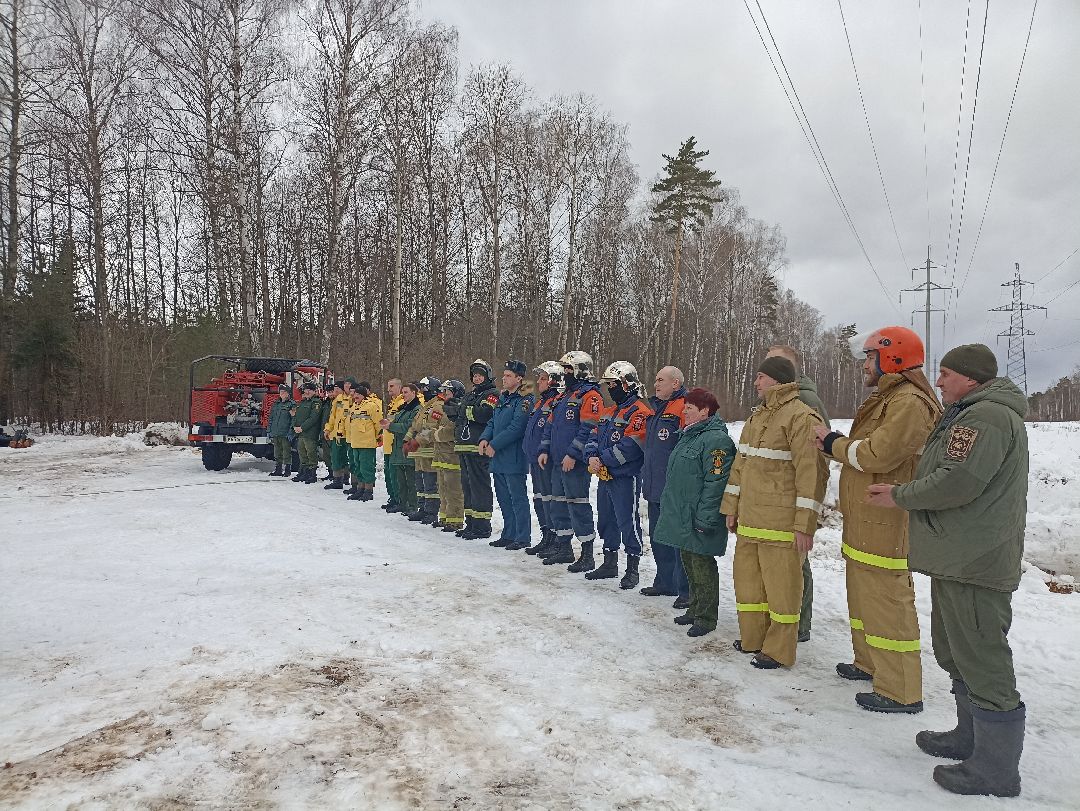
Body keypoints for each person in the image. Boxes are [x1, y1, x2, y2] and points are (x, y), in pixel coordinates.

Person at [866, 344, 1029, 797]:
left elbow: (958, 481)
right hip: (959, 556)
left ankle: (996, 771)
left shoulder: (987, 418)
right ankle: (969, 737)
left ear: (970, 378)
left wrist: (900, 495)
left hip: (976, 561)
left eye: (945, 373)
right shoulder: (970, 412)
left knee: (982, 657)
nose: (938, 381)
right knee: (956, 651)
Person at [814, 327, 941, 714]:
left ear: (893, 357)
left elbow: (877, 455)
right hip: (868, 519)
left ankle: (900, 689)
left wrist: (831, 443)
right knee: (864, 595)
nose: (864, 366)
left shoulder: (909, 402)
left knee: (887, 601)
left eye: (870, 357)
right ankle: (869, 662)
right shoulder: (888, 397)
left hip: (888, 523)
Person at [720, 356, 828, 669]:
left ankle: (779, 650)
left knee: (782, 590)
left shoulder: (801, 417)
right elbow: (741, 467)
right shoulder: (757, 418)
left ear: (777, 380)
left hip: (780, 526)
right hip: (750, 522)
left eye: (760, 377)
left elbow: (812, 474)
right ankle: (754, 638)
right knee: (749, 585)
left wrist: (805, 524)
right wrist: (731, 508)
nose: (755, 383)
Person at [654, 387, 736, 637]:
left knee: (702, 565)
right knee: (689, 562)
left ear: (705, 411)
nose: (684, 412)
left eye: (689, 408)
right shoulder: (689, 435)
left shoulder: (716, 440)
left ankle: (706, 617)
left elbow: (716, 483)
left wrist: (706, 517)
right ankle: (694, 607)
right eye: (684, 407)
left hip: (700, 516)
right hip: (684, 514)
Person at [766, 344, 828, 644]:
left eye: (773, 363)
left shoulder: (804, 399)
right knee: (782, 564)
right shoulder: (775, 399)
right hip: (773, 497)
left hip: (790, 496)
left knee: (796, 562)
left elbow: (814, 459)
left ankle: (799, 624)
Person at [582, 361, 654, 589]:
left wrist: (602, 459)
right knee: (606, 520)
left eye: (613, 384)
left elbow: (631, 446)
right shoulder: (608, 412)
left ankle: (632, 568)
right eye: (608, 384)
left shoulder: (641, 412)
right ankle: (609, 562)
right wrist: (591, 456)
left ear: (627, 384)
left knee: (627, 521)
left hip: (625, 477)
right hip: (604, 476)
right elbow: (593, 435)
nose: (609, 388)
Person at [538, 351, 603, 566]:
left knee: (577, 504)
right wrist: (545, 449)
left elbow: (589, 428)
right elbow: (550, 425)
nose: (565, 374)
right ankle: (563, 546)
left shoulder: (590, 396)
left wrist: (573, 454)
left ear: (580, 371)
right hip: (557, 460)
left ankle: (587, 553)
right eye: (564, 370)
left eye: (569, 370)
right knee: (558, 504)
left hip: (574, 462)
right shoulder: (564, 396)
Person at [641, 366, 690, 606]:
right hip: (653, 485)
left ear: (676, 383)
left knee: (676, 539)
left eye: (661, 380)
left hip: (672, 488)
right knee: (658, 536)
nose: (656, 384)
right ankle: (664, 581)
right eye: (655, 379)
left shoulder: (684, 408)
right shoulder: (656, 409)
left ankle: (685, 589)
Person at [481, 360, 533, 550]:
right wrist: (484, 439)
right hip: (499, 458)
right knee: (503, 498)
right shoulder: (503, 399)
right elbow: (492, 423)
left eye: (508, 375)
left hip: (513, 456)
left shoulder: (525, 399)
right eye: (503, 375)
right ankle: (509, 534)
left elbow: (517, 428)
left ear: (519, 378)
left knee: (517, 498)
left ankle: (522, 536)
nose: (504, 378)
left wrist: (494, 444)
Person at [454, 360, 499, 539]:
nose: (477, 378)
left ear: (487, 376)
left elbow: (484, 414)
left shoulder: (492, 394)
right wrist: (461, 411)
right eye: (474, 375)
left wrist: (464, 410)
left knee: (479, 485)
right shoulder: (471, 394)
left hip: (478, 447)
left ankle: (482, 526)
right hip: (464, 446)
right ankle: (471, 522)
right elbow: (460, 415)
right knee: (467, 485)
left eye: (480, 375)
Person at [523, 362, 564, 556]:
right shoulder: (541, 402)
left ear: (554, 380)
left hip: (546, 459)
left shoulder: (556, 401)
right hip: (534, 458)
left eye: (543, 378)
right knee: (540, 499)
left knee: (550, 499)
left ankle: (556, 537)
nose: (538, 382)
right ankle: (546, 534)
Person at [404, 377, 443, 523]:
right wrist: (406, 440)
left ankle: (431, 511)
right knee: (420, 482)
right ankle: (422, 508)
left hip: (429, 452)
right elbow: (415, 425)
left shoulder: (438, 406)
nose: (422, 391)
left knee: (430, 483)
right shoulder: (424, 406)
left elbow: (432, 428)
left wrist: (417, 441)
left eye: (424, 388)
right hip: (419, 453)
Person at [433, 380, 466, 532]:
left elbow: (450, 431)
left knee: (454, 490)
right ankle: (445, 517)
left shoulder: (457, 409)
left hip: (452, 457)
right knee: (443, 489)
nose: (445, 395)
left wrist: (437, 433)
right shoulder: (445, 408)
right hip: (441, 456)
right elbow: (435, 426)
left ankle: (456, 521)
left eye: (448, 392)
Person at [386, 383, 422, 516]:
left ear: (413, 393)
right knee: (400, 479)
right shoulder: (403, 408)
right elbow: (396, 423)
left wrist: (391, 426)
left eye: (406, 392)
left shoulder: (417, 409)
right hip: (398, 448)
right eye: (403, 392)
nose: (403, 395)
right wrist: (388, 425)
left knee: (411, 480)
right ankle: (403, 503)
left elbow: (409, 426)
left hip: (408, 447)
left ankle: (413, 505)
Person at [345, 383, 382, 501]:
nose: (355, 396)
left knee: (367, 467)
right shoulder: (353, 407)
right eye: (355, 394)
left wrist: (378, 437)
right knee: (358, 467)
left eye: (358, 394)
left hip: (367, 443)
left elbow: (378, 424)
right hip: (355, 442)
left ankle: (368, 490)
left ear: (363, 395)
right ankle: (360, 488)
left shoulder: (371, 406)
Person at [290, 382, 323, 483]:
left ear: (314, 391)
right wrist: (294, 426)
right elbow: (296, 415)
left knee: (311, 453)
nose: (307, 392)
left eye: (310, 390)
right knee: (302, 453)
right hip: (300, 433)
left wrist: (302, 427)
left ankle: (312, 474)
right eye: (306, 390)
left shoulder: (316, 402)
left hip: (310, 433)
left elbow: (313, 418)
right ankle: (303, 473)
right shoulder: (302, 402)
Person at [322, 379, 352, 490]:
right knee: (335, 457)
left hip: (348, 434)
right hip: (336, 434)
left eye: (337, 389)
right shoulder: (338, 400)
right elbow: (332, 417)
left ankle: (346, 477)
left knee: (346, 457)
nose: (334, 392)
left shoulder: (353, 399)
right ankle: (337, 480)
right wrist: (327, 429)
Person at [380, 378, 404, 511]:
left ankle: (399, 500)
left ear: (399, 387)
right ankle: (393, 498)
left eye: (392, 386)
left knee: (396, 475)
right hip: (388, 443)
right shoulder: (392, 403)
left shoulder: (401, 403)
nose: (389, 389)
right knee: (389, 474)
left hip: (395, 444)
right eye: (388, 386)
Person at [268, 383, 294, 477]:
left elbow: (293, 420)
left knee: (286, 451)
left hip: (285, 432)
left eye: (284, 392)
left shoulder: (291, 404)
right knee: (277, 452)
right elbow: (271, 418)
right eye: (280, 392)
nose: (282, 394)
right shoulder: (276, 404)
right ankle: (278, 469)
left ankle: (287, 470)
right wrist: (269, 430)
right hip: (276, 431)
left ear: (288, 393)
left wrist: (291, 432)